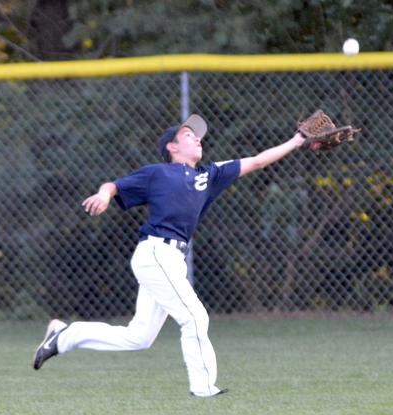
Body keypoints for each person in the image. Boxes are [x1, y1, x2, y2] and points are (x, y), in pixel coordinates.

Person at [33, 113, 307, 397]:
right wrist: (104, 196)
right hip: (156, 252)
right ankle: (203, 389)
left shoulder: (209, 175)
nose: (197, 138)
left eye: (198, 135)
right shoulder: (157, 173)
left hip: (172, 260)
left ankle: (65, 336)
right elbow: (114, 186)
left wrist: (297, 141)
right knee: (195, 317)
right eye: (188, 135)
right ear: (172, 147)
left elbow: (258, 160)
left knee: (139, 337)